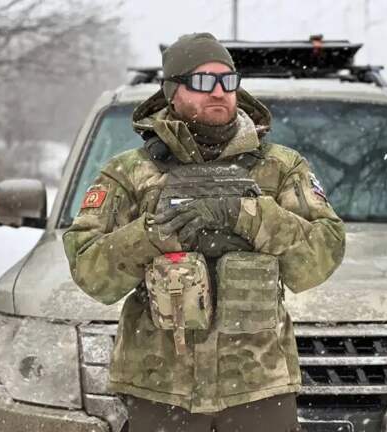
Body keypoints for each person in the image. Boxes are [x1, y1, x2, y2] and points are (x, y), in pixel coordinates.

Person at [62, 32, 345, 432]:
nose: (218, 91)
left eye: (227, 80)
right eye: (202, 81)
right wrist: (152, 237)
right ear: (172, 91)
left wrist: (249, 216)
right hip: (161, 389)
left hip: (258, 386)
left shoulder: (281, 167)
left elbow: (323, 254)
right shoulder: (129, 172)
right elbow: (88, 269)